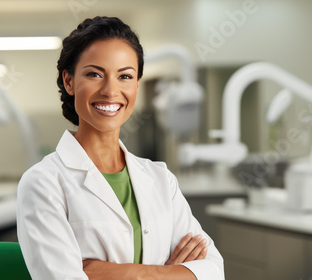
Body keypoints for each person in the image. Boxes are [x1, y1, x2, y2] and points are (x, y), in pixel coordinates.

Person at [17, 16, 224, 280]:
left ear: (136, 84)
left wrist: (130, 274)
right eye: (94, 74)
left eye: (125, 76)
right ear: (68, 81)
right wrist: (170, 273)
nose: (111, 90)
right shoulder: (43, 182)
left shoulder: (160, 179)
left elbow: (214, 271)